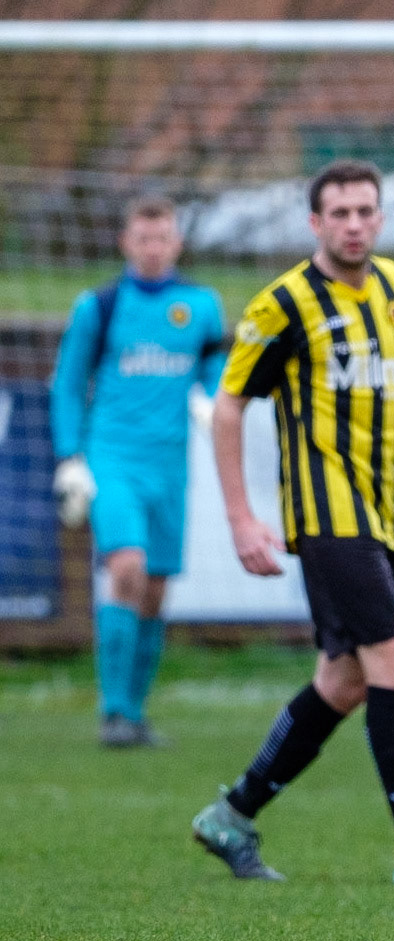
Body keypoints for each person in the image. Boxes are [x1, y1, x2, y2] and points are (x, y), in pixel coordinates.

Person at [188, 159, 394, 887]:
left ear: (379, 218)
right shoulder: (282, 305)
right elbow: (229, 406)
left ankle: (233, 814)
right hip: (325, 516)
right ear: (315, 222)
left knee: (345, 679)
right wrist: (240, 519)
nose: (354, 224)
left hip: (385, 512)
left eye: (365, 211)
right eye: (340, 213)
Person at [49, 196, 226, 748]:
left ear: (176, 242)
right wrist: (70, 456)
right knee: (126, 568)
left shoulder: (201, 305)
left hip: (169, 466)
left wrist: (212, 398)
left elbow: (217, 365)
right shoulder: (97, 306)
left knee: (153, 591)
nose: (153, 248)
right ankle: (114, 712)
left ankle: (135, 712)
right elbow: (69, 385)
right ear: (126, 242)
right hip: (112, 460)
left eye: (163, 237)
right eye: (143, 238)